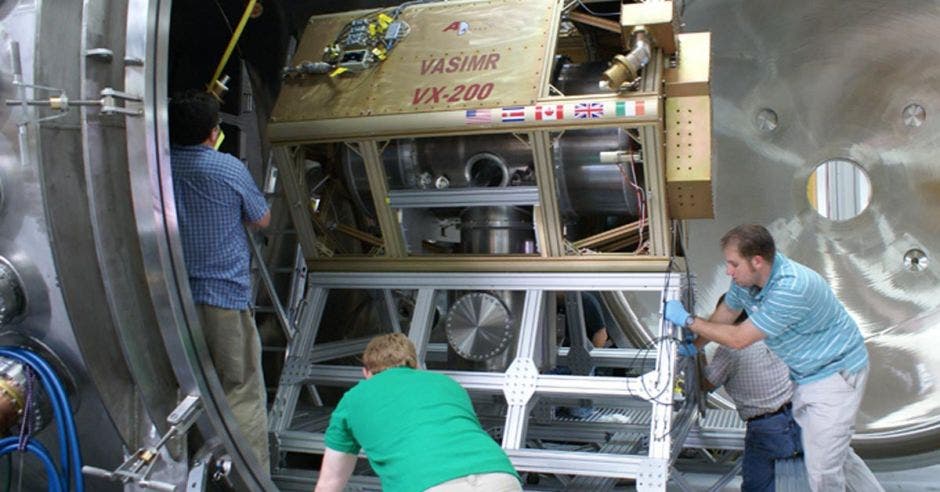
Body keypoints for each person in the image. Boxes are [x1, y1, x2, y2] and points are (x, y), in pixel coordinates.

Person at [665, 224, 882, 492]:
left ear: (757, 261)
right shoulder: (748, 282)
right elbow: (728, 313)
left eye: (733, 264)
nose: (728, 271)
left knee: (822, 470)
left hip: (835, 373)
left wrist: (688, 320)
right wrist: (695, 345)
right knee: (838, 455)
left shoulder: (791, 288)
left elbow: (738, 339)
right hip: (806, 375)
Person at [169, 90, 272, 469]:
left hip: (174, 303)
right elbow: (262, 220)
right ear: (213, 132)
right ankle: (247, 474)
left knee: (183, 391)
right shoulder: (227, 168)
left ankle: (179, 469)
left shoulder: (159, 168)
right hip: (224, 299)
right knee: (240, 388)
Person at [316, 333, 521, 492]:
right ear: (414, 365)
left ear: (366, 372)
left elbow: (329, 483)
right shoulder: (447, 384)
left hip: (429, 485)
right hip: (501, 477)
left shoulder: (353, 398)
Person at [685, 297, 801, 491]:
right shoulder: (772, 332)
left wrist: (698, 350)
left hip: (766, 427)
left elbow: (706, 384)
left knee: (757, 486)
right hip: (797, 418)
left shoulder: (730, 350)